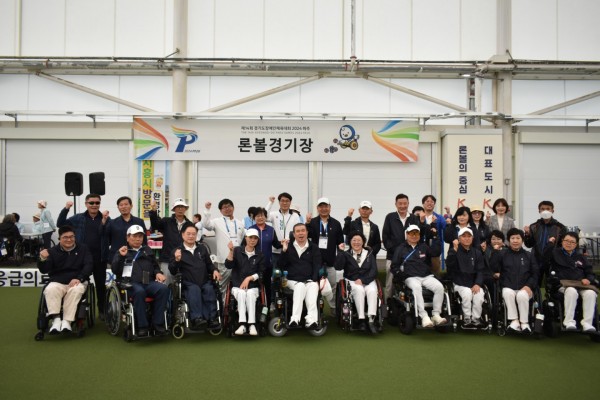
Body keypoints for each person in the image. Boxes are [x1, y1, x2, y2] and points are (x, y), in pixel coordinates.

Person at [57, 194, 108, 319]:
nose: (94, 205)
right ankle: (77, 311)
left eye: (97, 203)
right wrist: (66, 208)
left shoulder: (106, 219)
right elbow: (60, 224)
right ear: (86, 204)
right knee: (78, 283)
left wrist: (104, 223)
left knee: (101, 286)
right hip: (81, 258)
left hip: (100, 258)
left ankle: (102, 310)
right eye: (91, 203)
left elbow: (111, 235)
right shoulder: (78, 218)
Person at [112, 225, 169, 336]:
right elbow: (115, 270)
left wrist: (158, 273)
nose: (138, 239)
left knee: (163, 289)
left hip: (148, 282)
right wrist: (121, 257)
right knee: (139, 292)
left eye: (140, 236)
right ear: (127, 237)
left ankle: (157, 323)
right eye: (134, 236)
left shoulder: (147, 250)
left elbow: (155, 266)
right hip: (130, 284)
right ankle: (142, 326)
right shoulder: (122, 251)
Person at [38, 225, 93, 333]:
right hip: (58, 281)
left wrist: (79, 278)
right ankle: (56, 320)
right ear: (59, 238)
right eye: (65, 237)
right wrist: (42, 259)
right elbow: (44, 270)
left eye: (71, 237)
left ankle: (67, 321)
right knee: (50, 289)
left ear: (75, 237)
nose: (69, 239)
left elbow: (89, 265)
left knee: (75, 290)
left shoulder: (83, 248)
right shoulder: (52, 251)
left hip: (77, 281)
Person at [391, 225, 445, 327]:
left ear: (419, 235)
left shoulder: (424, 247)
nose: (414, 236)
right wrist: (400, 275)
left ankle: (436, 314)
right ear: (407, 235)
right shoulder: (401, 248)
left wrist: (436, 237)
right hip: (410, 277)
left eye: (416, 233)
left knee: (439, 287)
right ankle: (423, 316)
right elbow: (394, 266)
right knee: (416, 287)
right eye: (411, 233)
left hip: (426, 276)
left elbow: (436, 252)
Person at [169, 225, 221, 330]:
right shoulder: (177, 251)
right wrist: (177, 260)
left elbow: (209, 264)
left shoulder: (202, 249)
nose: (191, 236)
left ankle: (212, 319)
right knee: (195, 289)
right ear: (183, 235)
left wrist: (215, 270)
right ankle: (197, 319)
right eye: (188, 234)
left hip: (204, 281)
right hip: (188, 283)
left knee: (209, 289)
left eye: (193, 234)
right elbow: (172, 270)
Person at [544, 231, 597, 332]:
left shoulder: (581, 257)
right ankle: (568, 322)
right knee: (571, 291)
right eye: (566, 241)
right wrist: (550, 244)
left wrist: (588, 279)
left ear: (576, 244)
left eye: (572, 242)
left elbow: (590, 272)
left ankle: (587, 323)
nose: (569, 243)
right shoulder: (555, 253)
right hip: (562, 285)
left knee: (590, 293)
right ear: (562, 241)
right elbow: (545, 257)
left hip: (581, 285)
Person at [490, 228, 539, 333]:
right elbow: (493, 267)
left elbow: (535, 273)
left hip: (525, 287)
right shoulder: (502, 254)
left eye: (518, 238)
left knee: (522, 295)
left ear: (522, 240)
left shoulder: (529, 255)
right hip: (508, 286)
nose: (515, 241)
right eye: (512, 238)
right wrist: (495, 252)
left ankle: (524, 323)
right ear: (509, 240)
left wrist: (529, 286)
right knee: (508, 293)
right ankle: (514, 321)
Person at [382, 193, 429, 299]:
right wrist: (397, 252)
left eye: (405, 203)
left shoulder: (414, 218)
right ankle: (388, 304)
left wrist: (422, 223)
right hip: (393, 257)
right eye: (400, 203)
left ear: (408, 204)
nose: (402, 206)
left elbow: (420, 236)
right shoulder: (390, 217)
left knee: (410, 283)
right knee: (390, 283)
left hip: (411, 258)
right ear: (395, 204)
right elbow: (385, 238)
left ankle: (407, 304)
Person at [334, 231, 379, 334]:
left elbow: (374, 271)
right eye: (354, 240)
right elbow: (338, 267)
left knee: (372, 290)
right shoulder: (346, 254)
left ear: (363, 242)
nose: (356, 242)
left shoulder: (369, 254)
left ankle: (371, 319)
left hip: (367, 280)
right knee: (359, 290)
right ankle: (361, 319)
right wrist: (340, 252)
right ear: (350, 242)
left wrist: (363, 280)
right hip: (352, 280)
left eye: (359, 240)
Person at [279, 223, 322, 329]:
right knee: (300, 286)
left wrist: (315, 280)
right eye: (298, 231)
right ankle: (295, 319)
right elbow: (280, 265)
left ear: (307, 232)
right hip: (291, 280)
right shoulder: (288, 247)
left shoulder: (314, 247)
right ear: (294, 234)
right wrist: (284, 250)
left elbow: (317, 265)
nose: (300, 233)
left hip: (309, 280)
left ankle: (311, 320)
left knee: (313, 286)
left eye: (303, 230)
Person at [305, 197, 344, 311]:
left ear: (330, 207)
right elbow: (306, 236)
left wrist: (340, 257)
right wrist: (307, 223)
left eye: (326, 206)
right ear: (317, 208)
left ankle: (333, 307)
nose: (323, 209)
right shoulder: (312, 222)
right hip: (315, 261)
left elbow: (340, 243)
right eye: (321, 206)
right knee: (315, 285)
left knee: (332, 286)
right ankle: (316, 308)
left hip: (330, 261)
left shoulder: (336, 223)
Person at [225, 228, 266, 336]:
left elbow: (261, 273)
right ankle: (242, 324)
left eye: (255, 238)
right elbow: (228, 265)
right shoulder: (237, 251)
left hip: (253, 286)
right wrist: (231, 252)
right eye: (250, 237)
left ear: (257, 240)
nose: (252, 240)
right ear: (246, 238)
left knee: (250, 294)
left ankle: (252, 325)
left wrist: (249, 278)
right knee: (242, 293)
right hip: (237, 286)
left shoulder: (260, 254)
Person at [203, 198, 245, 296]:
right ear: (220, 210)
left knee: (239, 284)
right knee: (222, 285)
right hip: (224, 260)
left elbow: (243, 240)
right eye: (224, 207)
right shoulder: (216, 222)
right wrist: (207, 210)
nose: (227, 209)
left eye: (229, 206)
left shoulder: (240, 223)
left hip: (238, 260)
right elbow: (206, 224)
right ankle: (221, 304)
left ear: (233, 207)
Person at [446, 227, 487, 328]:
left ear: (472, 238)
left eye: (469, 236)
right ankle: (467, 318)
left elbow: (480, 271)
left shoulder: (477, 252)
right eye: (463, 236)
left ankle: (476, 318)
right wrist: (454, 250)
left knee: (479, 294)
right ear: (459, 239)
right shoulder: (453, 251)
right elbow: (450, 266)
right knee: (467, 293)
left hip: (473, 283)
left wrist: (477, 284)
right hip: (459, 283)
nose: (467, 238)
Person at [149, 197, 194, 285]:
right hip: (167, 258)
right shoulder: (166, 221)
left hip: (185, 259)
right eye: (178, 207)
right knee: (167, 284)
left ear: (185, 209)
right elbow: (155, 226)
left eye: (182, 207)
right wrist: (153, 211)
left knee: (184, 284)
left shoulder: (190, 224)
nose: (180, 209)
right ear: (174, 209)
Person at [524, 200, 567, 285]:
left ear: (552, 211)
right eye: (543, 209)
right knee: (535, 284)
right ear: (539, 211)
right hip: (536, 260)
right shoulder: (533, 226)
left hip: (553, 261)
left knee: (552, 284)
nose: (545, 211)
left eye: (548, 209)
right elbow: (529, 245)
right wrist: (527, 234)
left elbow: (563, 246)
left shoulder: (560, 227)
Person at [104, 196, 146, 271]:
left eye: (126, 204)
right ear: (118, 207)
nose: (123, 207)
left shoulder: (139, 221)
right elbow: (106, 240)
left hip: (135, 258)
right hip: (116, 259)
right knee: (116, 278)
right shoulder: (112, 223)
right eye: (121, 205)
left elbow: (144, 241)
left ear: (131, 206)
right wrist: (103, 221)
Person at [249, 207, 281, 305]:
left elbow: (276, 244)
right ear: (254, 218)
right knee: (254, 285)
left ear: (266, 217)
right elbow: (244, 245)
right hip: (253, 264)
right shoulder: (251, 229)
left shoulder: (271, 230)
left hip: (267, 263)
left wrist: (284, 243)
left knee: (267, 285)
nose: (260, 218)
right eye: (257, 216)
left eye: (262, 215)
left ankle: (267, 306)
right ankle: (254, 305)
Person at [265, 193, 302, 269]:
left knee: (290, 273)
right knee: (276, 273)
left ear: (290, 202)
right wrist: (270, 203)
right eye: (282, 201)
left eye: (287, 201)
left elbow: (298, 231)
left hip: (290, 250)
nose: (284, 203)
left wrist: (287, 240)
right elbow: (265, 216)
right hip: (276, 251)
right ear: (279, 202)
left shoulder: (295, 216)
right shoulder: (274, 214)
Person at [421, 195, 447, 275]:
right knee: (421, 272)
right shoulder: (419, 216)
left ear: (434, 204)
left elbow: (446, 227)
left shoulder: (439, 217)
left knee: (435, 273)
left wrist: (448, 216)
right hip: (421, 250)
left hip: (435, 250)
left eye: (432, 202)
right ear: (423, 204)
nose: (430, 203)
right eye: (427, 201)